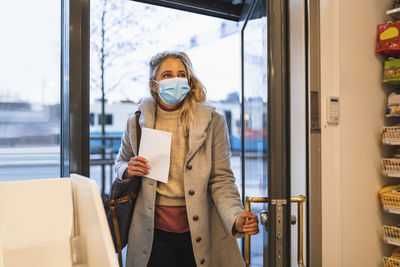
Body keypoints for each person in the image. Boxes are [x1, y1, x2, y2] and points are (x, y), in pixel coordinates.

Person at [115, 51, 259, 267]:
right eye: (167, 75)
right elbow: (120, 163)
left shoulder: (213, 122)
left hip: (199, 231)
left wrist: (236, 215)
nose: (175, 80)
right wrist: (128, 168)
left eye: (181, 74)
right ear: (153, 84)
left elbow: (221, 180)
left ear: (189, 81)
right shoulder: (136, 121)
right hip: (152, 234)